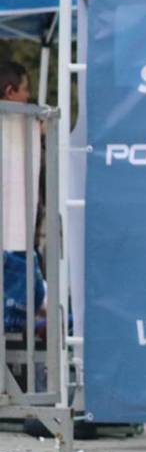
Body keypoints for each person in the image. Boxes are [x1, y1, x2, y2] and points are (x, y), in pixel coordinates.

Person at [2, 61, 45, 337]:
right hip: (13, 244)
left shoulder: (20, 128)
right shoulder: (18, 128)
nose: (28, 96)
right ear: (9, 92)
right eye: (25, 89)